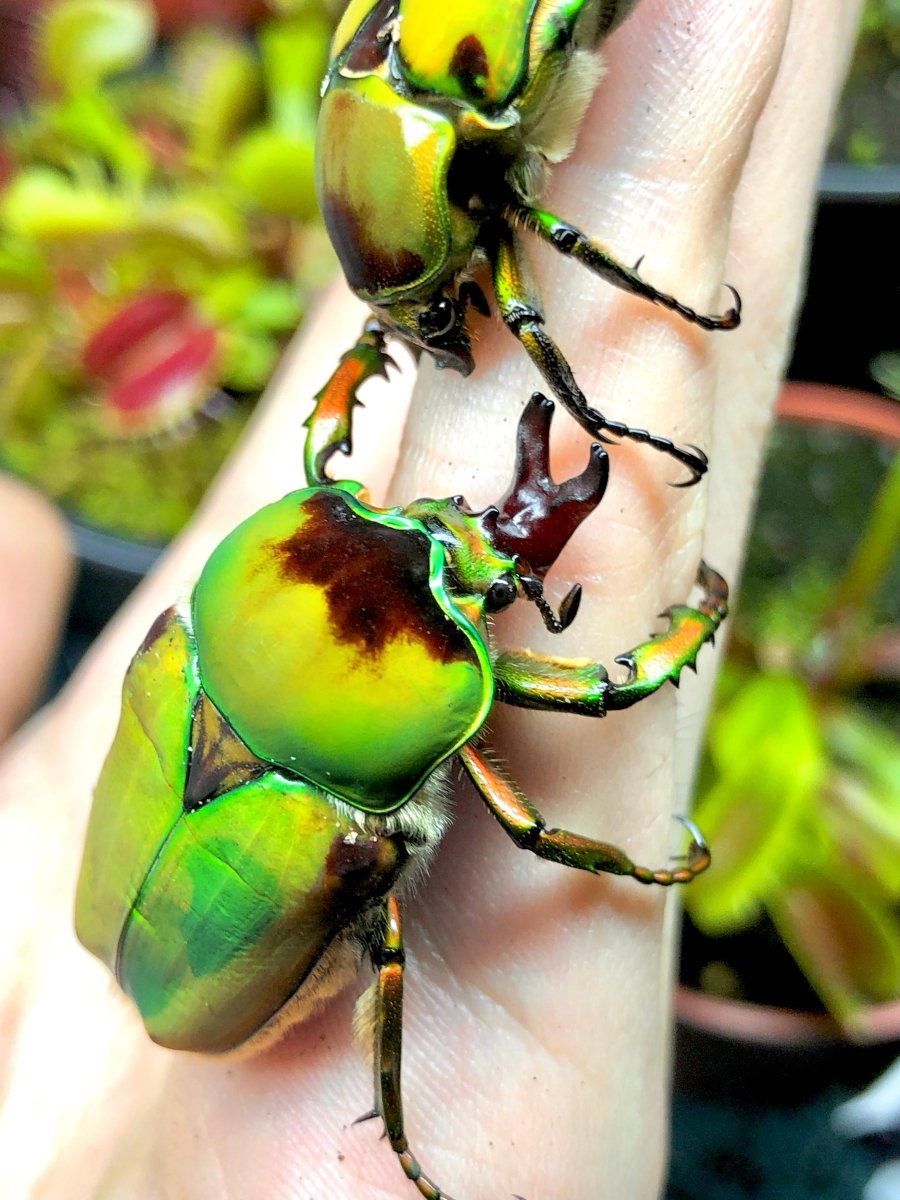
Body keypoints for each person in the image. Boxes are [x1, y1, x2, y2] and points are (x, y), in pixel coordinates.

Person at [0, 1, 862, 1195]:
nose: (454, 531)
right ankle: (398, 1133)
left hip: (138, 931)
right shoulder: (336, 821)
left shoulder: (177, 649)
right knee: (392, 949)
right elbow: (537, 813)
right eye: (466, 590)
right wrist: (652, 667)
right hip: (217, 993)